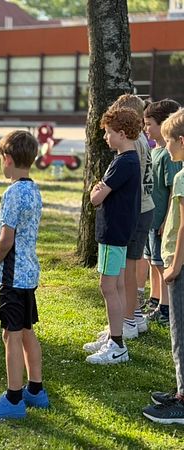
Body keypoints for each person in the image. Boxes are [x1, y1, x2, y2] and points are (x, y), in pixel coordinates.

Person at [0, 130, 48, 420]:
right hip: (28, 274)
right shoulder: (33, 189)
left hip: (13, 276)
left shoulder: (13, 193)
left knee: (11, 335)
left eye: (0, 160)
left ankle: (14, 399)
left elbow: (6, 238)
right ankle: (36, 390)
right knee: (27, 330)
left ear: (7, 158)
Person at [83, 107, 142, 364]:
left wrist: (96, 191)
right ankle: (113, 334)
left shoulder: (123, 162)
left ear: (121, 133)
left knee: (107, 286)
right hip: (119, 232)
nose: (105, 137)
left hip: (113, 233)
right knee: (116, 285)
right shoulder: (128, 160)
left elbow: (96, 197)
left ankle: (117, 345)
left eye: (108, 133)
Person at [142, 108, 184, 424]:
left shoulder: (182, 176)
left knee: (179, 333)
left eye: (169, 141)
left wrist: (174, 266)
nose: (166, 147)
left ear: (180, 142)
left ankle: (182, 402)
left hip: (179, 266)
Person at [109, 94, 155, 339]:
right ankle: (135, 316)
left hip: (136, 210)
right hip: (145, 207)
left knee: (127, 268)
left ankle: (126, 322)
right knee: (130, 264)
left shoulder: (133, 144)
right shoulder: (143, 140)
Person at [142, 99, 182, 326]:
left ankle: (165, 309)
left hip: (160, 220)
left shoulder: (169, 155)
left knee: (160, 262)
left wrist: (166, 220)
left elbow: (170, 191)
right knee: (151, 261)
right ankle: (155, 299)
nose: (146, 128)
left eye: (149, 124)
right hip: (150, 216)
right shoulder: (155, 150)